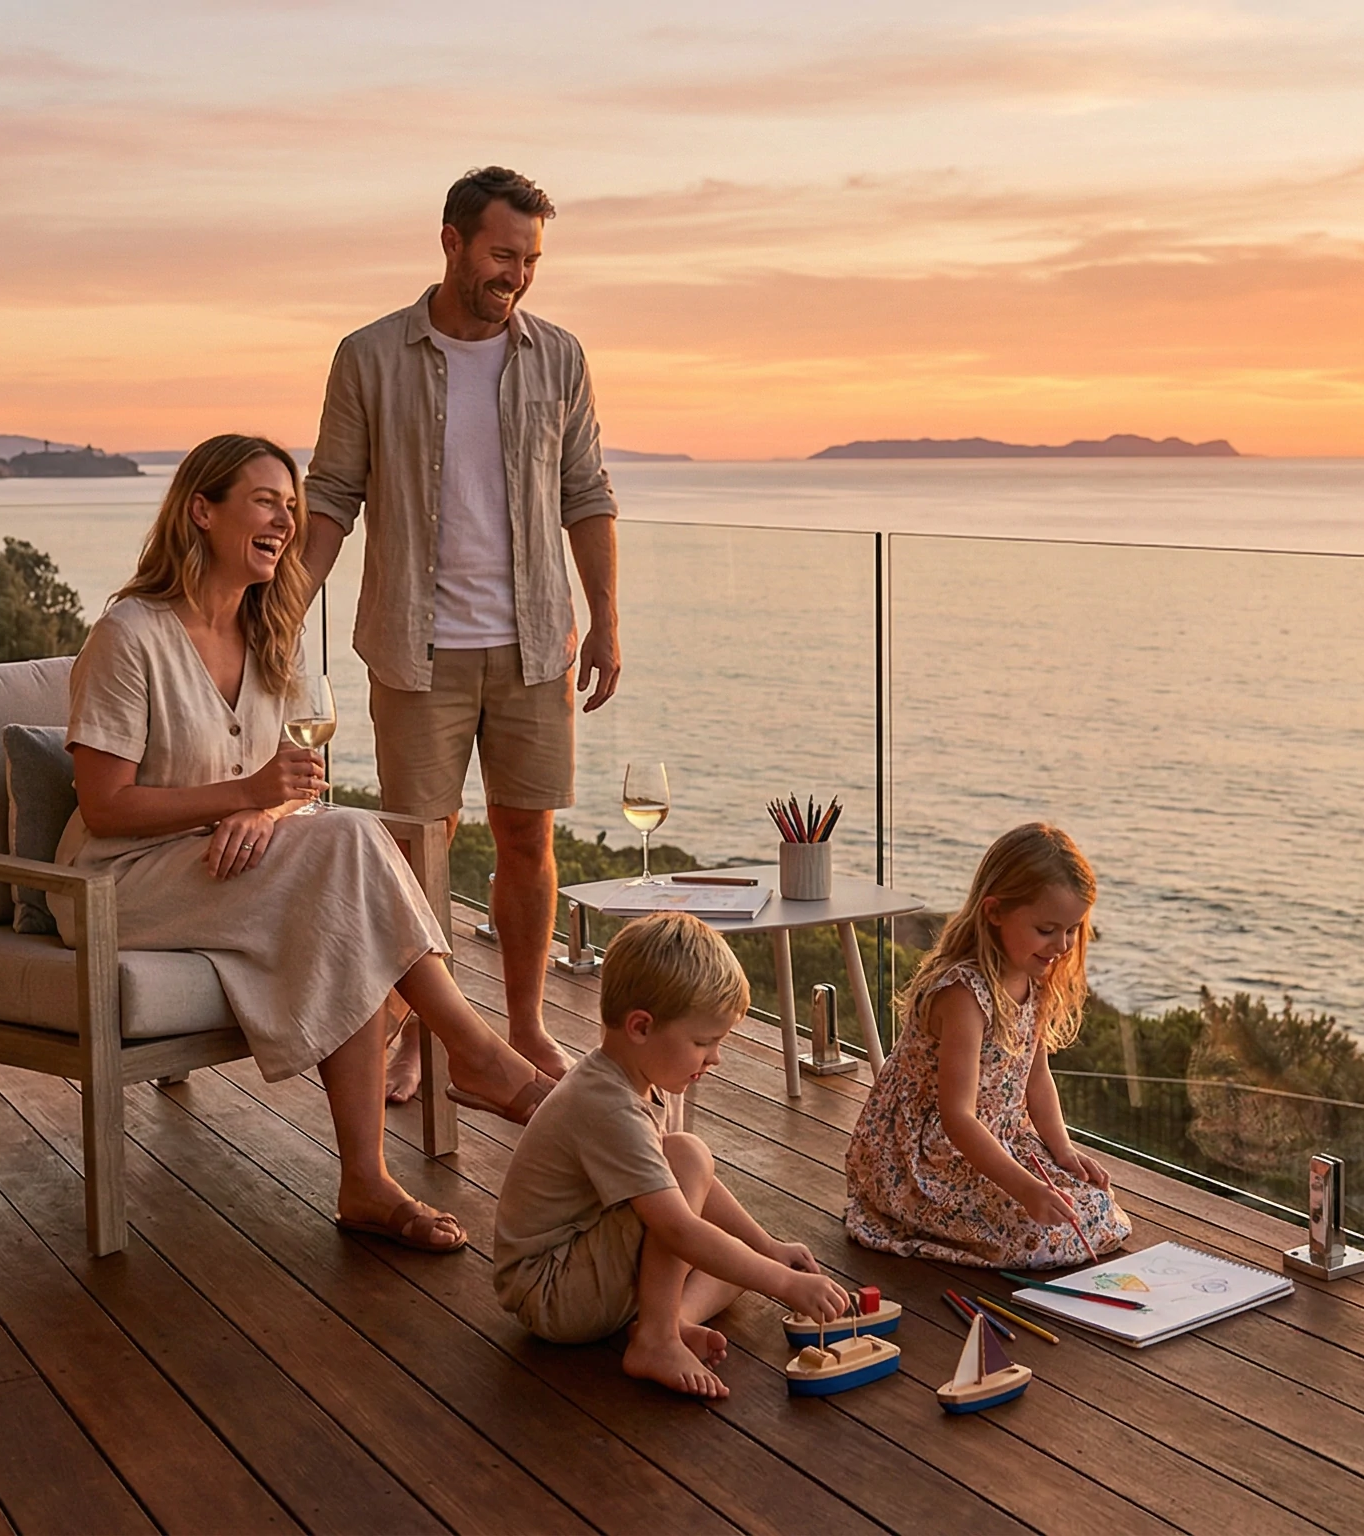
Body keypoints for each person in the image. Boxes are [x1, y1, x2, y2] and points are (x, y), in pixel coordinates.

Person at [55, 433, 553, 1254]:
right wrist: (247, 797)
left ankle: (368, 1180)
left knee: (342, 890)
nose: (286, 521)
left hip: (222, 863)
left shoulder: (267, 635)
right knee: (352, 844)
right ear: (201, 511)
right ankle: (477, 1056)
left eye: (291, 506)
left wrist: (266, 813)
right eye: (264, 502)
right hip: (117, 885)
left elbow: (282, 791)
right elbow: (104, 810)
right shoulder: (130, 635)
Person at [301, 165, 620, 1102]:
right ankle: (424, 1034)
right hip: (416, 646)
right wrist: (282, 613)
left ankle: (520, 1029)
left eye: (529, 259)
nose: (514, 274)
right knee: (416, 852)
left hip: (535, 646)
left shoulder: (559, 357)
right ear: (451, 240)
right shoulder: (368, 356)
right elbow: (330, 497)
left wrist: (605, 619)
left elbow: (587, 494)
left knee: (529, 840)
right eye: (500, 254)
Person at [491, 913, 848, 1400]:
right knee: (689, 1162)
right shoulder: (608, 1106)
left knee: (731, 1257)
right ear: (641, 1026)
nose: (714, 1058)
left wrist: (768, 1250)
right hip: (551, 1290)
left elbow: (690, 1202)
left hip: (584, 1276)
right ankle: (656, 1339)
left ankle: (668, 1324)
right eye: (703, 1042)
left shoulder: (638, 1077)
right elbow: (677, 1224)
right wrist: (785, 1284)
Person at [843, 823, 1132, 1268]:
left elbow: (1037, 1081)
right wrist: (1024, 1188)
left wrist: (1063, 1151)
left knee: (1092, 1204)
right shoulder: (964, 993)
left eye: (1072, 929)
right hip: (928, 1157)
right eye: (1046, 929)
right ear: (994, 912)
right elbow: (957, 1117)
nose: (1061, 945)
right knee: (1042, 1234)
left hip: (998, 1139)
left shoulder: (1035, 980)